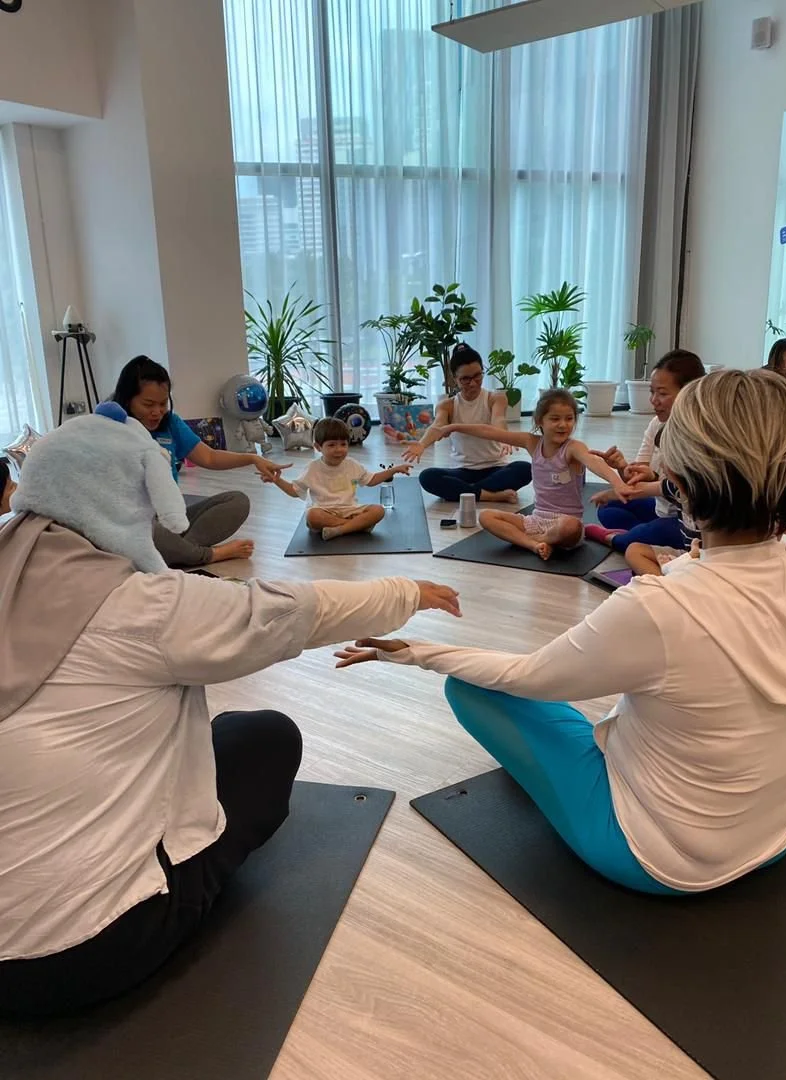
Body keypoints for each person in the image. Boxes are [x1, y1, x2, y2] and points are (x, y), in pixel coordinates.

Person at [0, 415, 461, 1016]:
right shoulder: (138, 606)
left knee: (226, 732)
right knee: (267, 740)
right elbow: (285, 613)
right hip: (80, 950)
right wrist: (406, 592)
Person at [337, 369, 786, 895]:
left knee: (471, 686)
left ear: (676, 478)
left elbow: (525, 676)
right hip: (775, 834)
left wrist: (418, 651)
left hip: (662, 860)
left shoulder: (656, 607)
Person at [111, 356, 288, 567]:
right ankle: (208, 555)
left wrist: (252, 458)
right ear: (127, 400)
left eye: (163, 403)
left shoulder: (171, 423)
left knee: (237, 502)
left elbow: (209, 457)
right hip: (134, 522)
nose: (157, 412)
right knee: (150, 532)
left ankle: (177, 552)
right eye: (148, 404)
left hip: (171, 517)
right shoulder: (111, 428)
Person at [438, 389, 633, 560]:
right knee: (486, 517)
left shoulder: (573, 448)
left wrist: (617, 483)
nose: (563, 425)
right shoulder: (532, 443)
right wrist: (455, 426)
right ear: (540, 421)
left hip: (565, 524)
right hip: (536, 520)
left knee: (571, 527)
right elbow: (489, 432)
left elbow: (593, 462)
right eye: (555, 419)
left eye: (569, 418)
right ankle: (533, 545)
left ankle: (539, 540)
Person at [585, 350, 705, 553]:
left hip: (688, 521)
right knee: (607, 508)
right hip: (660, 509)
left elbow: (683, 490)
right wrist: (623, 467)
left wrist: (647, 480)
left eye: (663, 393)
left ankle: (620, 539)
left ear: (688, 393)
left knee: (648, 532)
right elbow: (637, 481)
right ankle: (644, 536)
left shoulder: (700, 436)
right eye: (652, 392)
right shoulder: (657, 424)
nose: (654, 400)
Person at [402, 344, 532, 503]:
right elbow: (437, 426)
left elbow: (498, 420)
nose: (473, 383)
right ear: (454, 379)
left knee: (525, 469)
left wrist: (504, 436)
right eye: (465, 379)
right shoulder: (447, 405)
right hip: (463, 471)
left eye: (478, 376)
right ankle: (491, 495)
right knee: (427, 477)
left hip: (496, 468)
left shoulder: (495, 398)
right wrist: (422, 444)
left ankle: (467, 491)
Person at [266, 417, 411, 540]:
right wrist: (277, 480)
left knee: (378, 510)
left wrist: (393, 470)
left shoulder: (352, 464)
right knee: (312, 516)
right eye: (331, 445)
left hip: (350, 510)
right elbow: (294, 491)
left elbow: (372, 480)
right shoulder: (312, 468)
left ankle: (340, 530)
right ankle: (355, 526)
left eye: (343, 444)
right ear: (318, 447)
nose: (339, 449)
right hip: (325, 511)